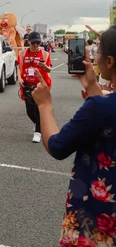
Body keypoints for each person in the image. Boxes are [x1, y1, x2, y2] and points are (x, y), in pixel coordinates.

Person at [32, 27, 116, 245]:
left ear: (109, 62)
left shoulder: (99, 108)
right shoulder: (102, 106)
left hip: (99, 223)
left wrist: (44, 104)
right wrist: (94, 90)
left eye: (98, 52)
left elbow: (57, 146)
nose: (93, 57)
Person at [18, 31, 52, 143]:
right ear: (29, 42)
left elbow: (49, 70)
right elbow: (20, 68)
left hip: (40, 85)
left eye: (38, 43)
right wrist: (19, 78)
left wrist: (45, 66)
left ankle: (38, 132)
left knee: (38, 109)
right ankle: (37, 123)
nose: (36, 45)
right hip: (27, 84)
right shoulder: (22, 54)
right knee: (29, 110)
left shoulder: (45, 54)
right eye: (34, 43)